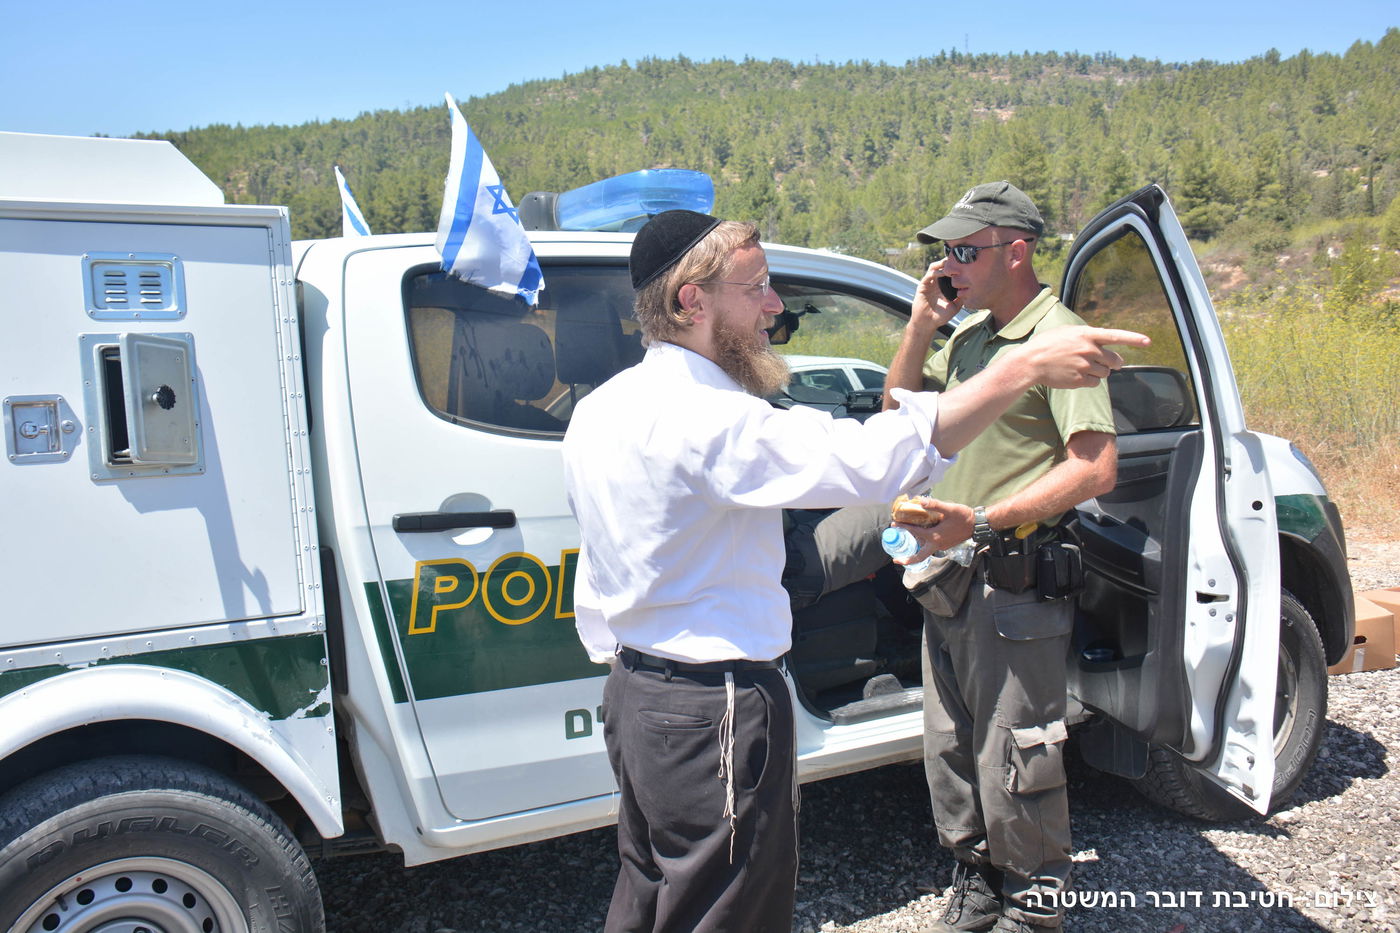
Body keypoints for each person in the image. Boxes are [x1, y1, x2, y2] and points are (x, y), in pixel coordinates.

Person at [562, 208, 1144, 933]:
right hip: (713, 708)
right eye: (758, 287)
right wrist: (1022, 366)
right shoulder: (707, 417)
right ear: (691, 301)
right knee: (723, 909)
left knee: (651, 892)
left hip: (637, 694)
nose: (775, 306)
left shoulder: (603, 407)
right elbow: (878, 456)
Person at [881, 182, 1119, 933]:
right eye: (945, 250)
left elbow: (1095, 466)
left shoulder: (1058, 337)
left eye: (964, 249)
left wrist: (981, 520)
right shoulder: (972, 336)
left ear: (1014, 250)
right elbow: (899, 423)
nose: (950, 263)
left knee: (1020, 754)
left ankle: (1035, 904)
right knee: (951, 749)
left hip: (1014, 580)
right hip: (948, 578)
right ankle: (978, 876)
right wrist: (921, 326)